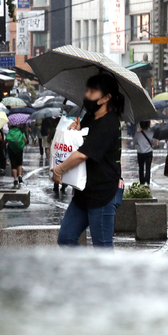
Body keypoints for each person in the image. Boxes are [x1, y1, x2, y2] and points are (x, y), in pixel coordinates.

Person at [55, 73, 125, 249]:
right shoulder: (90, 117)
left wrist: (59, 170)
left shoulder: (109, 122)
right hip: (84, 192)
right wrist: (77, 130)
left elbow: (82, 154)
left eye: (93, 91)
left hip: (103, 194)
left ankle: (103, 275)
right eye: (87, 90)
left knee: (102, 249)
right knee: (66, 238)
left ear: (106, 98)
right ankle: (90, 271)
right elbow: (82, 141)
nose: (87, 95)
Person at [134, 120, 155, 185]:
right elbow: (154, 142)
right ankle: (147, 182)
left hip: (140, 152)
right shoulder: (151, 133)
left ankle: (142, 182)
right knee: (148, 168)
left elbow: (134, 142)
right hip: (149, 152)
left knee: (141, 168)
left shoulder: (137, 134)